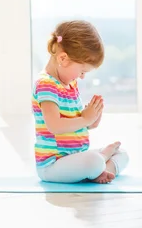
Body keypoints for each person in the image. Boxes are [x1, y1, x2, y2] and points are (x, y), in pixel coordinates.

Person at [31, 20, 129, 184]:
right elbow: (54, 125)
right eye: (82, 71)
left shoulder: (70, 84)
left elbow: (78, 124)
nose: (82, 77)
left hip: (75, 158)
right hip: (53, 165)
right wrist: (85, 119)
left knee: (122, 154)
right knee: (94, 161)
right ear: (63, 59)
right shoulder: (46, 85)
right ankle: (100, 164)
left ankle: (99, 172)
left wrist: (92, 119)